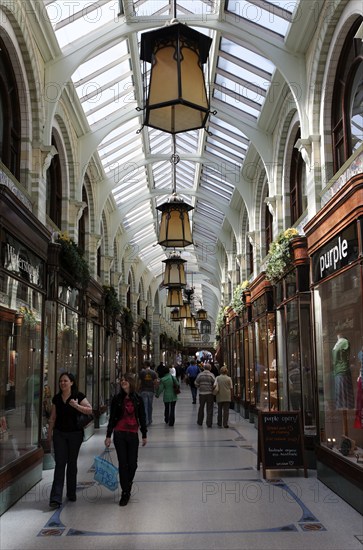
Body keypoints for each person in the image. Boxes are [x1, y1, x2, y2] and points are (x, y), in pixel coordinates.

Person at [48, 372, 93, 508]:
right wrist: (49, 434)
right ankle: (55, 497)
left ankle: (71, 492)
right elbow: (53, 417)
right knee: (60, 463)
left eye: (65, 381)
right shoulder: (56, 398)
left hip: (75, 434)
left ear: (71, 382)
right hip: (60, 434)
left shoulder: (78, 396)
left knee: (71, 463)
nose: (62, 383)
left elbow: (90, 410)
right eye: (61, 381)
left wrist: (76, 406)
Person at [105, 373, 147, 506]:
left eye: (125, 380)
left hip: (133, 433)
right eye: (121, 380)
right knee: (123, 463)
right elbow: (112, 417)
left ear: (131, 382)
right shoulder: (117, 399)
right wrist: (108, 435)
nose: (123, 382)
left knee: (133, 464)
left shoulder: (138, 399)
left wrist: (144, 434)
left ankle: (128, 483)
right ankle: (125, 492)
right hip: (119, 434)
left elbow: (142, 416)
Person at [332, 333, 354, 409]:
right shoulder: (337, 343)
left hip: (343, 370)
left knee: (343, 393)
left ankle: (345, 409)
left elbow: (348, 355)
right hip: (337, 371)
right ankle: (341, 410)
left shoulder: (344, 342)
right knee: (339, 393)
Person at [195, 362, 215, 427]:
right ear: (210, 368)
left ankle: (200, 421)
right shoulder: (211, 375)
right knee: (209, 408)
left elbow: (196, 383)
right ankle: (209, 423)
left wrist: (199, 387)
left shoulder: (200, 375)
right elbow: (214, 384)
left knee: (201, 407)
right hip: (209, 393)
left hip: (202, 393)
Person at [138, 360, 157, 426]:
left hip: (143, 390)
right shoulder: (153, 373)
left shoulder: (142, 372)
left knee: (145, 406)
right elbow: (155, 382)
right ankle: (150, 419)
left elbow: (140, 382)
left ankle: (145, 420)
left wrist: (138, 389)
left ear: (145, 365)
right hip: (151, 391)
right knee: (150, 406)